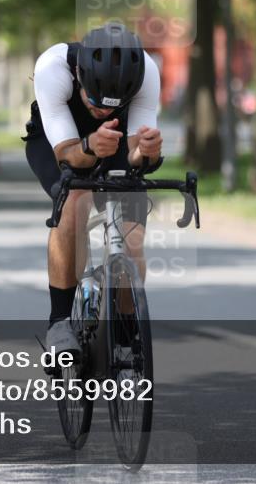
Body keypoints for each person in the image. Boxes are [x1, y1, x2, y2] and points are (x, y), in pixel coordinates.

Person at [23, 23, 163, 353]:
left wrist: (146, 152)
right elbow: (67, 154)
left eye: (114, 105)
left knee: (133, 236)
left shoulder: (147, 73)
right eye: (95, 102)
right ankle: (59, 323)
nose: (103, 111)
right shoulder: (52, 67)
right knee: (76, 199)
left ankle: (126, 333)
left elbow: (134, 155)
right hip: (58, 141)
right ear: (78, 74)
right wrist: (88, 147)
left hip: (115, 140)